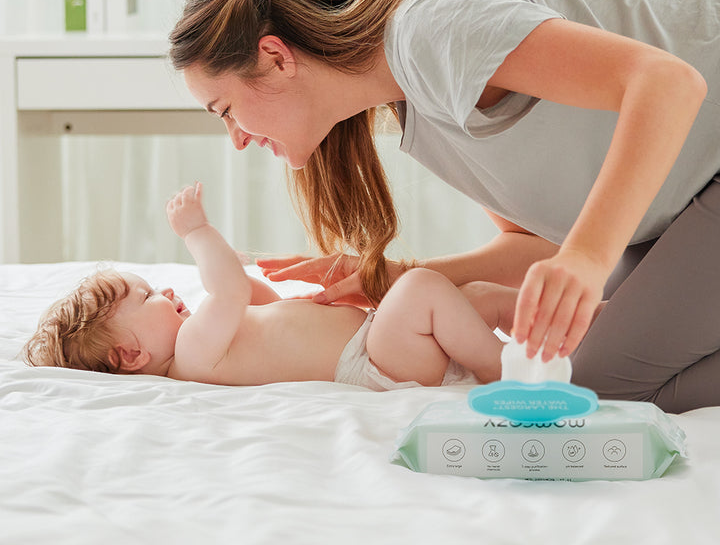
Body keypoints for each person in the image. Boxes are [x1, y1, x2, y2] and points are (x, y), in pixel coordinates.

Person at [168, 0, 720, 413]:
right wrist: (392, 277)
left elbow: (667, 83)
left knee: (590, 385)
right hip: (690, 189)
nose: (237, 140)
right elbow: (538, 245)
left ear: (275, 57)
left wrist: (588, 258)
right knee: (576, 339)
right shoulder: (413, 100)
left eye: (226, 111)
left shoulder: (429, 31)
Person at [22, 183, 511, 389]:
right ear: (131, 356)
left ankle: (570, 328)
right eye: (148, 296)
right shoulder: (190, 355)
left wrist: (238, 267)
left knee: (475, 299)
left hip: (380, 339)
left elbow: (256, 299)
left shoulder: (211, 342)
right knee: (422, 287)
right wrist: (197, 234)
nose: (168, 293)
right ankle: (507, 376)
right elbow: (229, 294)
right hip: (375, 361)